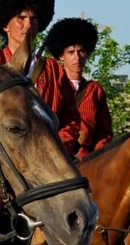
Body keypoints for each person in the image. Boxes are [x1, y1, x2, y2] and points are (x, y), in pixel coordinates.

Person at [0, 0, 80, 156]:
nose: (28, 25)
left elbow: (70, 118)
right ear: (5, 25)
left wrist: (58, 147)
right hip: (5, 161)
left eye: (33, 19)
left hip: (51, 161)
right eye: (21, 18)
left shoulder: (54, 69)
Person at [44, 17, 113, 161]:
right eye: (71, 52)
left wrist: (97, 158)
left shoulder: (95, 90)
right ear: (61, 56)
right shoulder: (51, 87)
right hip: (55, 159)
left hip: (88, 163)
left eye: (81, 51)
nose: (77, 57)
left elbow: (104, 133)